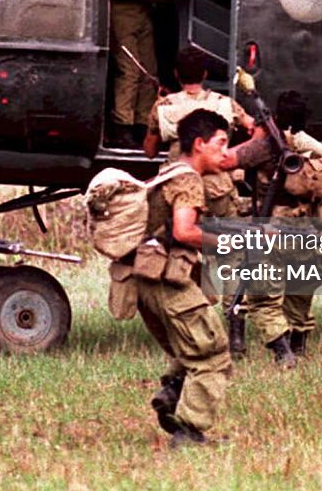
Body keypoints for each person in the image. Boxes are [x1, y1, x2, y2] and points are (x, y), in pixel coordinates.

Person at [221, 90, 322, 366]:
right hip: (311, 231)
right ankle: (298, 345)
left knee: (262, 299)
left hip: (274, 229)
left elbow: (225, 160)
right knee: (300, 292)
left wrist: (256, 137)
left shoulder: (266, 146)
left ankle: (283, 352)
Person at [143, 47, 254, 356]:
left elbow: (149, 150)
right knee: (232, 258)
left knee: (179, 252)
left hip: (179, 189)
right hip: (219, 190)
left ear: (176, 75)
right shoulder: (224, 104)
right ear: (206, 75)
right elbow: (253, 129)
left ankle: (186, 324)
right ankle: (235, 333)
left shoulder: (164, 106)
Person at [136, 108, 233, 448]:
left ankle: (172, 392)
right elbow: (184, 230)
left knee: (188, 345)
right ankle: (189, 432)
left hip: (144, 278)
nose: (225, 152)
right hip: (164, 278)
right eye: (220, 144)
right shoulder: (189, 179)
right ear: (199, 144)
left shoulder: (169, 171)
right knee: (211, 354)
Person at [108, 0, 186, 148]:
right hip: (124, 10)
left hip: (143, 10)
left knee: (149, 71)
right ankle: (122, 125)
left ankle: (143, 124)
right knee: (130, 70)